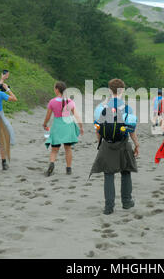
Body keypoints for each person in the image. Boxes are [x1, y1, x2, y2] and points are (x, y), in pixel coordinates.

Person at [91, 79, 139, 215]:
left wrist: (100, 143)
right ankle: (127, 202)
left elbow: (97, 128)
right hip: (123, 143)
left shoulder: (101, 108)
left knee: (108, 174)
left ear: (109, 90)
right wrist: (136, 144)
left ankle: (109, 207)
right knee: (126, 171)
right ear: (122, 90)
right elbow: (131, 130)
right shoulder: (128, 108)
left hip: (107, 143)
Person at [43, 81, 84, 176]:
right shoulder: (69, 101)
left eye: (54, 88)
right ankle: (68, 169)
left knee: (54, 149)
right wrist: (81, 126)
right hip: (68, 125)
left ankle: (52, 163)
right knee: (68, 148)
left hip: (57, 125)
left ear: (57, 89)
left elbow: (48, 116)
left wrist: (44, 124)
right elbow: (76, 115)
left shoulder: (52, 101)